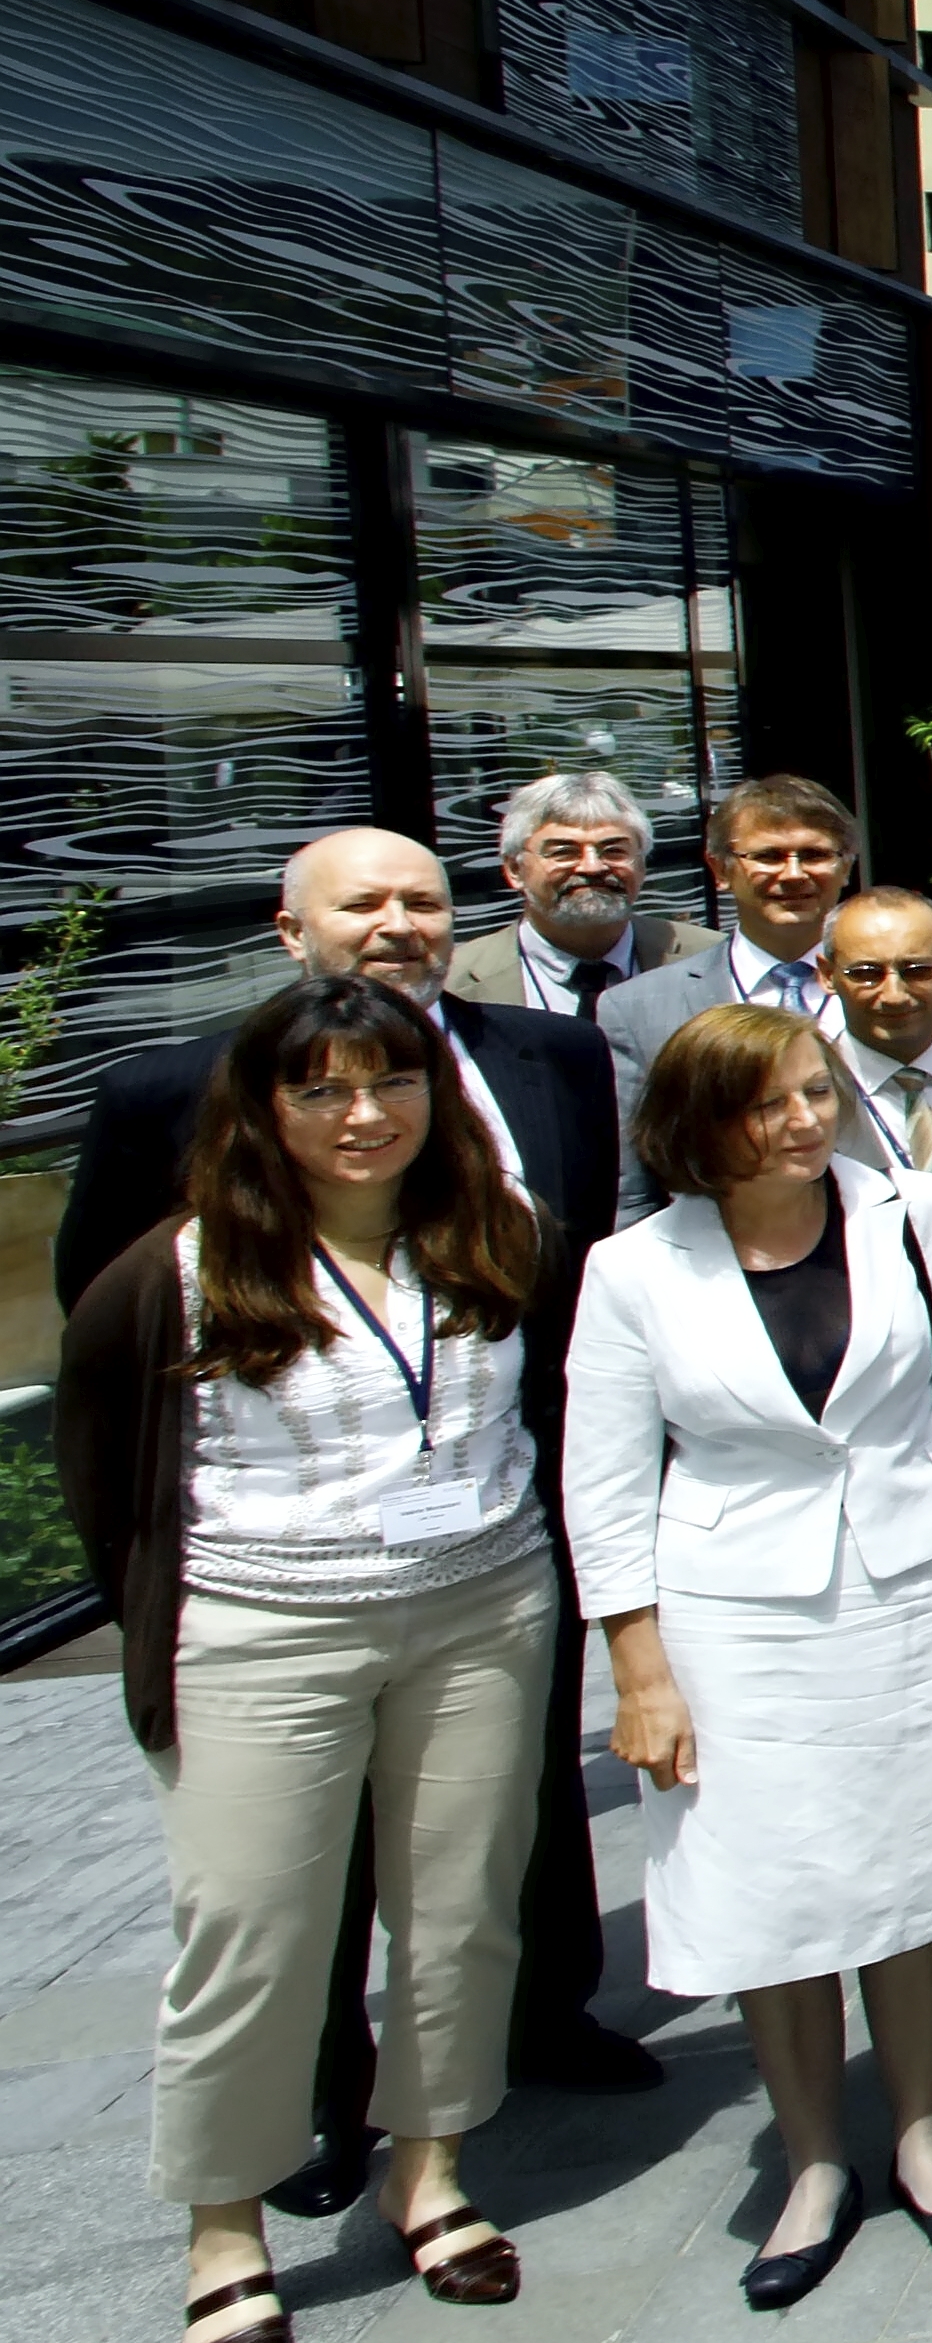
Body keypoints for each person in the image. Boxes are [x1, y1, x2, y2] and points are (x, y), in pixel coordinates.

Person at [56, 832, 650, 2166]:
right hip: (282, 1572)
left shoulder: (546, 1054)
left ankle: (535, 2022)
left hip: (501, 1520)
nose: (397, 923)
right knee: (278, 1877)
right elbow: (111, 1346)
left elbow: (575, 1285)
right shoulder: (171, 1087)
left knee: (507, 1805)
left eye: (421, 901)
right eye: (363, 902)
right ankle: (326, 2095)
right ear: (290, 930)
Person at [63, 982, 574, 2343]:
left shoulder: (499, 1237)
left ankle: (430, 2169)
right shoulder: (180, 1269)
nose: (364, 1116)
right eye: (323, 1091)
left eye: (392, 1083)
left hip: (479, 1609)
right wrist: (162, 1615)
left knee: (462, 1908)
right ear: (264, 1109)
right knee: (251, 1930)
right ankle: (225, 2229)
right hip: (264, 1628)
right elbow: (105, 1461)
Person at [569, 1002, 932, 2303]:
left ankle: (925, 2136)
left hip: (909, 1585)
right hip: (734, 1613)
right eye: (766, 1103)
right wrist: (640, 1669)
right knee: (770, 1894)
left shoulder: (910, 1217)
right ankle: (815, 2161)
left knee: (913, 1868)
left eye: (814, 1094)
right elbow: (603, 1484)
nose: (800, 1122)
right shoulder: (636, 1270)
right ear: (694, 1125)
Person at [599, 779, 861, 1184]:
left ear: (846, 866)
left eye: (814, 854)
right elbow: (634, 1182)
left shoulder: (913, 984)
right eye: (768, 856)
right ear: (721, 869)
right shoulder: (638, 1009)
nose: (793, 874)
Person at [450, 770, 684, 1018]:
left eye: (614, 850)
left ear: (642, 864)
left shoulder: (710, 956)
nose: (592, 867)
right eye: (564, 852)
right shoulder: (454, 982)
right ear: (515, 869)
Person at [820, 889, 932, 1198]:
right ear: (827, 974)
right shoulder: (798, 1105)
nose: (894, 995)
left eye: (917, 971)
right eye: (866, 974)